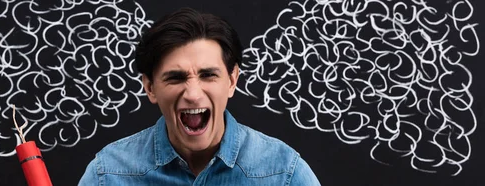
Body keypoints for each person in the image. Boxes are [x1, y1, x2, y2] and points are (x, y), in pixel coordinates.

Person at [78, 7, 320, 185]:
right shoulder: (107, 174)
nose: (193, 94)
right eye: (175, 78)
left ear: (232, 80)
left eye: (208, 75)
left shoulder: (285, 174)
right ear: (150, 87)